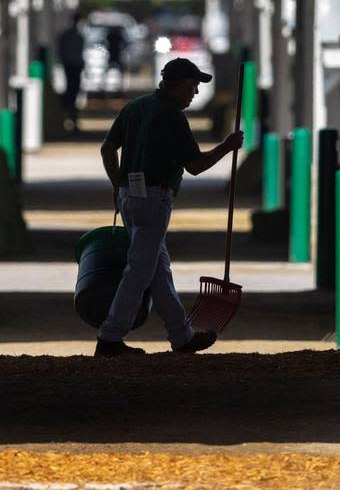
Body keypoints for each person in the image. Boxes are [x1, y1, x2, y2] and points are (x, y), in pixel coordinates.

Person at [96, 57, 244, 356]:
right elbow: (196, 166)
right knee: (139, 270)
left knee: (158, 270)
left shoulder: (135, 107)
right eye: (192, 86)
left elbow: (108, 148)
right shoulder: (172, 116)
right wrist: (226, 147)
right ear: (177, 86)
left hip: (129, 196)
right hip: (154, 198)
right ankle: (110, 338)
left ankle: (181, 336)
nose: (195, 93)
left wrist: (117, 183)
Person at [56, 14, 86, 131]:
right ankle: (71, 119)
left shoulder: (67, 35)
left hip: (70, 66)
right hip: (73, 67)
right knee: (72, 93)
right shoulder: (77, 36)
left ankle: (71, 119)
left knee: (71, 92)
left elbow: (61, 51)